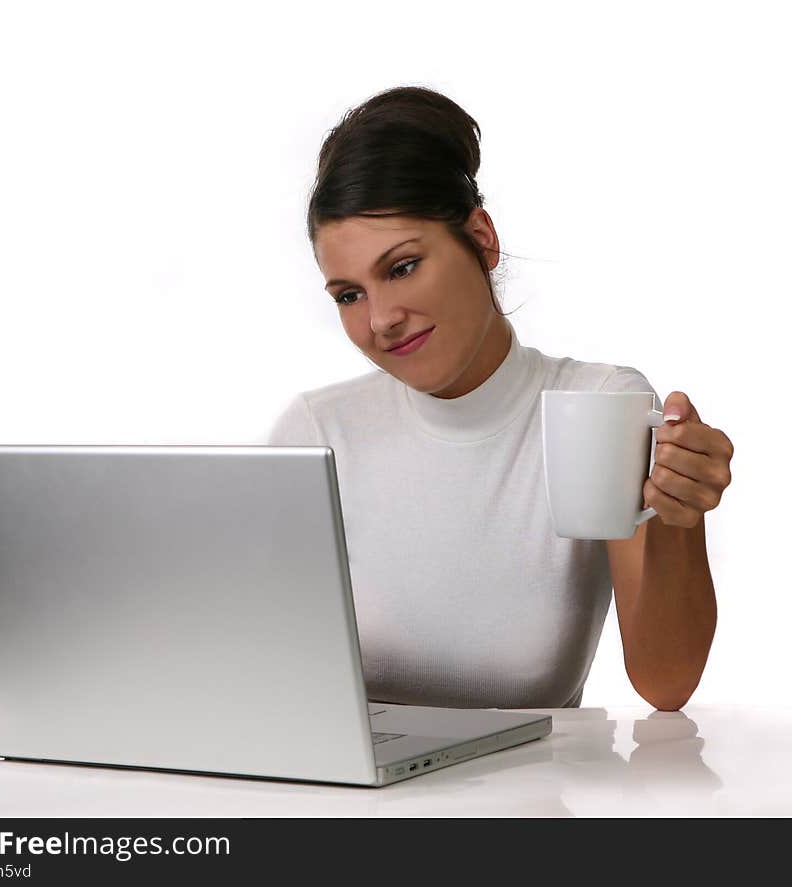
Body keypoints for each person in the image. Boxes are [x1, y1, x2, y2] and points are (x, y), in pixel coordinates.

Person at [267, 86, 734, 711]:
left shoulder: (600, 405)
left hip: (534, 800)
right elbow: (263, 674)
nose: (381, 319)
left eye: (402, 267)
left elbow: (666, 684)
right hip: (350, 801)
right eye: (348, 295)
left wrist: (680, 521)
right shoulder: (319, 431)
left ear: (482, 240)